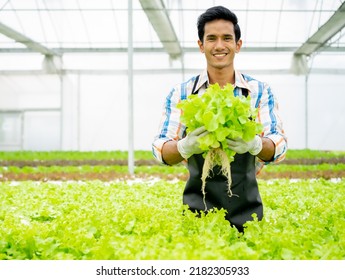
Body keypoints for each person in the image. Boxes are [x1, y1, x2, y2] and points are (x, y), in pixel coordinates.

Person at [152, 6, 287, 232]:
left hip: (246, 211)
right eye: (211, 38)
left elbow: (278, 146)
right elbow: (160, 149)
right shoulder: (183, 93)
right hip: (198, 211)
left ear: (238, 45)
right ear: (201, 45)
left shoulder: (258, 91)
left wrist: (255, 144)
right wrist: (185, 146)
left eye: (227, 38)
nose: (219, 45)